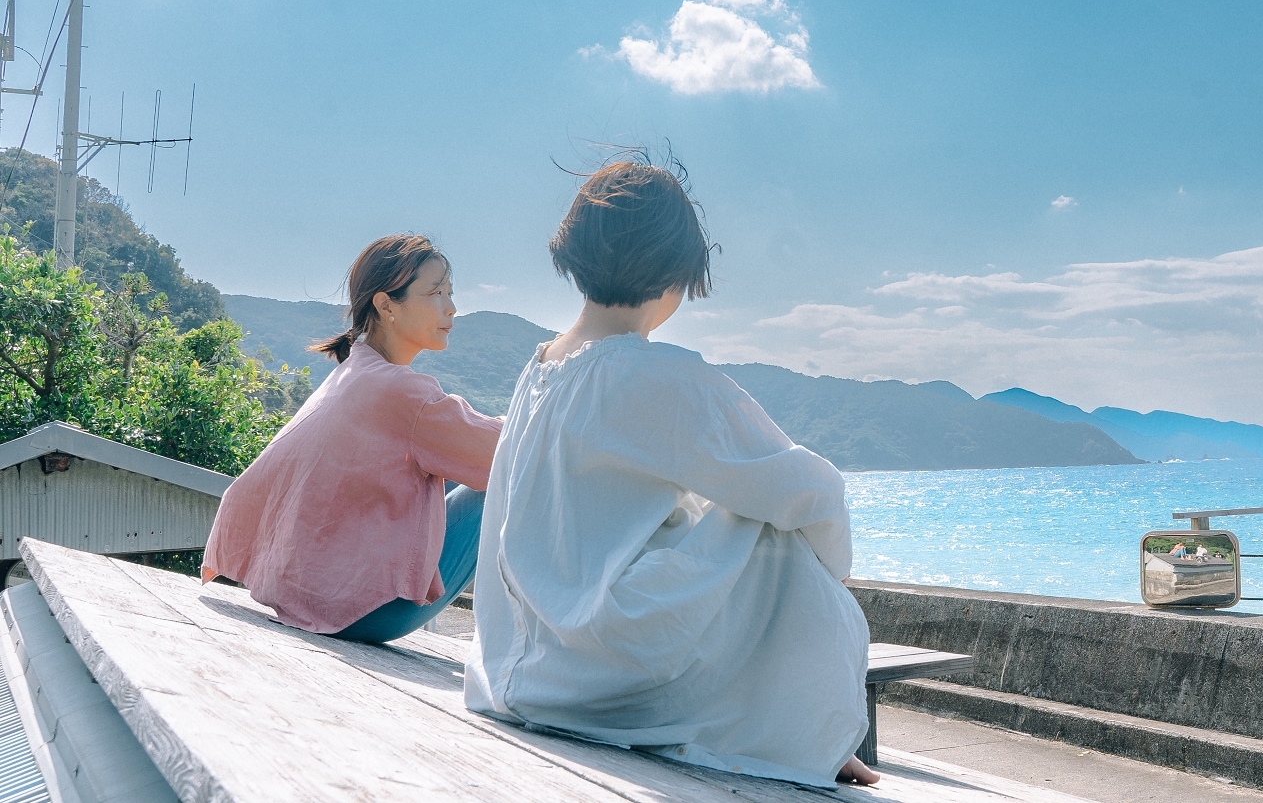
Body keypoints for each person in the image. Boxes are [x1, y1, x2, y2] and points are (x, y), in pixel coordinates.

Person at [464, 159, 874, 788]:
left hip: (531, 669)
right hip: (608, 670)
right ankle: (802, 732)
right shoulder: (653, 375)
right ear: (674, 273)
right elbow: (810, 490)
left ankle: (795, 728)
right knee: (772, 529)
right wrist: (834, 568)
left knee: (735, 512)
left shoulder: (538, 371)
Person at [202, 235, 502, 643]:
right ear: (386, 304)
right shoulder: (402, 393)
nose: (451, 308)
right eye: (435, 293)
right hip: (365, 610)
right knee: (503, 479)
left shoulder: (353, 373)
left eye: (450, 292)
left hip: (310, 595)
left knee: (455, 474)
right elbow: (505, 452)